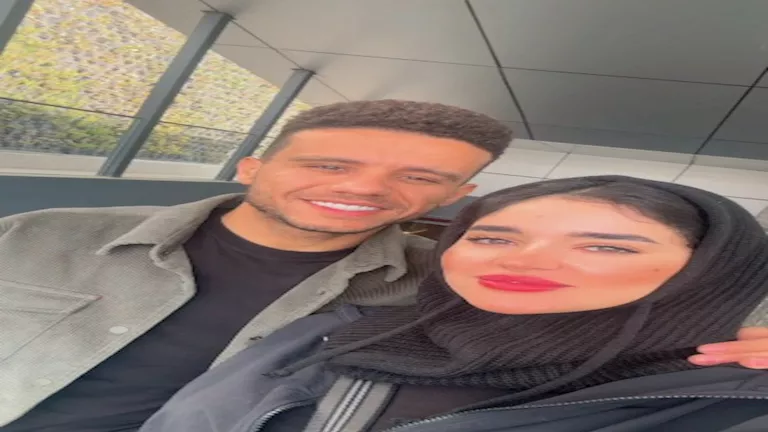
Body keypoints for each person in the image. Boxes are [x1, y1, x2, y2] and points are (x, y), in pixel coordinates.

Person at [0, 100, 766, 431]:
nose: (365, 189)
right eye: (330, 164)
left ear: (455, 198)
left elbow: (678, 309)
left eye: (420, 178)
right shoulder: (39, 234)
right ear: (251, 165)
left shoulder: (448, 286)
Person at [141, 175, 768, 432]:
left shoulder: (730, 399)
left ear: (713, 272)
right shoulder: (339, 333)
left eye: (604, 246)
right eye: (492, 237)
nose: (519, 261)